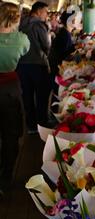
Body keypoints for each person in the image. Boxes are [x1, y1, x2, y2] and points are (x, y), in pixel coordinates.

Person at [0, 2, 30, 195]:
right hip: (9, 90)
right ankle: (4, 179)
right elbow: (25, 52)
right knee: (10, 135)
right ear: (15, 17)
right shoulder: (22, 40)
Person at [17, 1, 51, 133]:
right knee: (42, 94)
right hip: (38, 64)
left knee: (27, 95)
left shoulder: (20, 23)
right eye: (45, 12)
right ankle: (42, 123)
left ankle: (31, 126)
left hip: (21, 65)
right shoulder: (39, 25)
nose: (46, 15)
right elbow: (46, 45)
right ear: (38, 11)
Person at [48, 10, 75, 96]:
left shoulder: (64, 32)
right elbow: (63, 54)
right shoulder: (65, 34)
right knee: (58, 94)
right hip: (58, 69)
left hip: (56, 67)